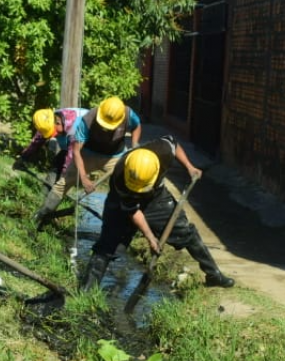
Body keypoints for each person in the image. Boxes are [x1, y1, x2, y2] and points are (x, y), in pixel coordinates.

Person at [80, 135, 235, 290]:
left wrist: (189, 166)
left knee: (184, 232)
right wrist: (150, 237)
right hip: (122, 203)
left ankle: (213, 275)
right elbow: (134, 211)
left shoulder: (163, 150)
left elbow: (175, 143)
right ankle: (86, 290)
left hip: (156, 198)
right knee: (108, 244)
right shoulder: (120, 176)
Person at [34, 96, 142, 227]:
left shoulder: (127, 114)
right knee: (63, 184)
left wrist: (135, 144)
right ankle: (41, 216)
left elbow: (137, 126)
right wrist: (84, 178)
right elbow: (76, 151)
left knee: (128, 184)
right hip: (88, 154)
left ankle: (125, 224)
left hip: (114, 156)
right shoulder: (87, 120)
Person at [14, 108, 87, 218]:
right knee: (56, 166)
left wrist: (62, 180)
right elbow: (37, 141)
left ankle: (51, 205)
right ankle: (42, 198)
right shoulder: (46, 122)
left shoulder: (75, 127)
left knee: (65, 175)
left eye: (55, 131)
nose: (54, 135)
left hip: (88, 147)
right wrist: (23, 158)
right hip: (68, 146)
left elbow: (70, 158)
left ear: (58, 122)